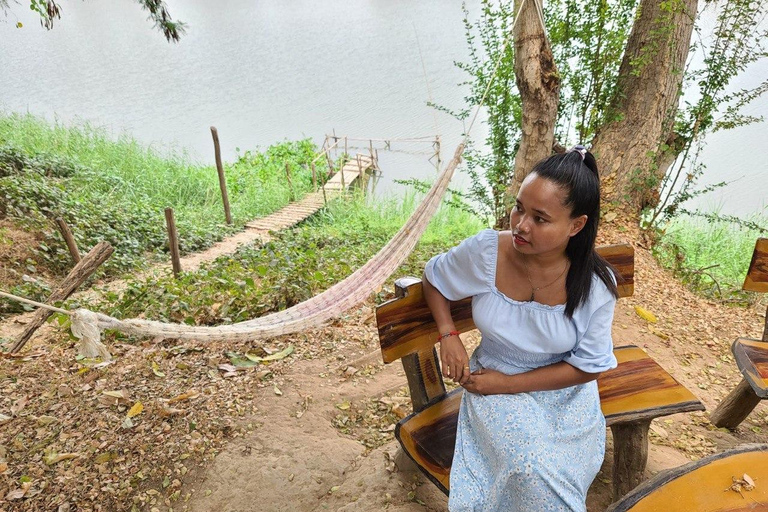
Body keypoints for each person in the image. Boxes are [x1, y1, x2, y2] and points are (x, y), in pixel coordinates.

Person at [422, 146, 619, 512]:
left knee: (546, 472)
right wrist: (448, 334)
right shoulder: (487, 252)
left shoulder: (595, 284)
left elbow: (587, 365)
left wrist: (508, 384)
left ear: (576, 225)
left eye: (540, 219)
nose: (520, 225)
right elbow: (434, 277)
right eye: (519, 208)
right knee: (527, 465)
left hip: (564, 396)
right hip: (492, 384)